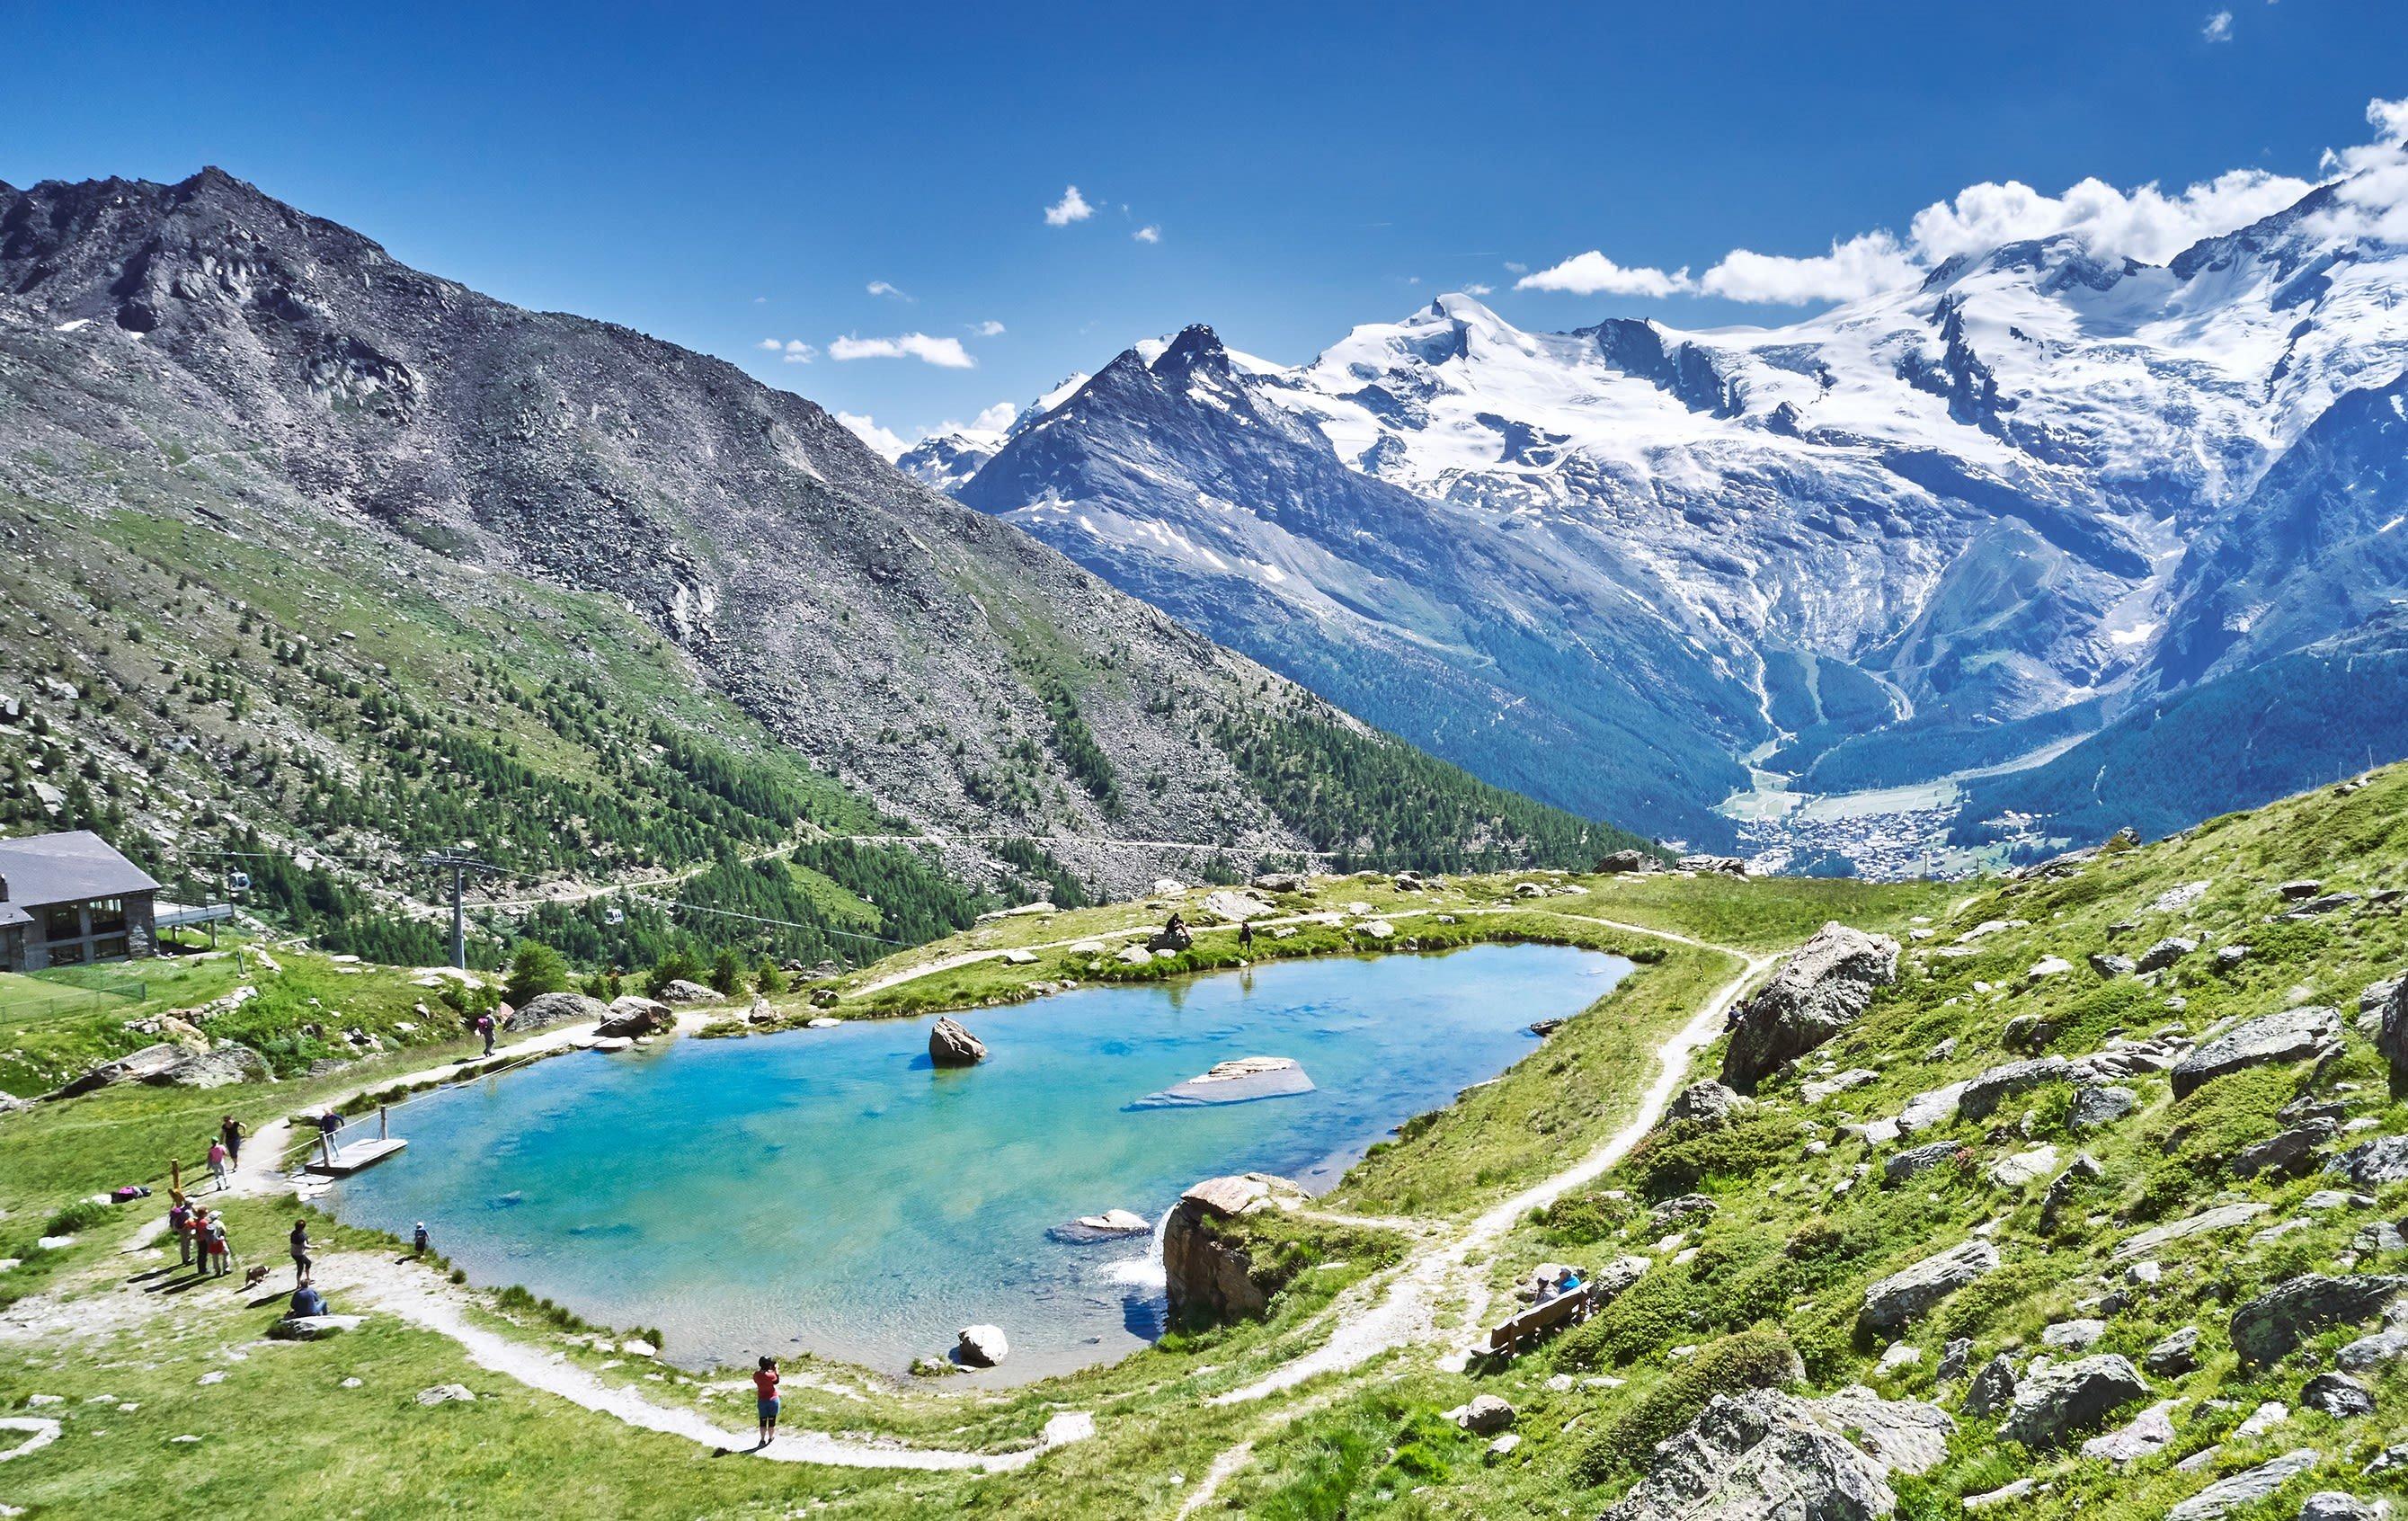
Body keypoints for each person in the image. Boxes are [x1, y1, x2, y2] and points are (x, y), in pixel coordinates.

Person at [752, 1356, 780, 1449]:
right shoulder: (771, 1375)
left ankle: (762, 1439)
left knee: (762, 1421)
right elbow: (776, 1381)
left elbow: (758, 1379)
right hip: (773, 1400)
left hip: (762, 1401)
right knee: (772, 1422)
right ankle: (771, 1438)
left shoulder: (756, 1375)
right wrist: (776, 1369)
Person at [168, 1196, 194, 1268]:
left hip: (179, 1228)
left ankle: (184, 1258)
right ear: (190, 1204)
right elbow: (190, 1222)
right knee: (187, 1244)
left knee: (183, 1244)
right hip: (185, 1229)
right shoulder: (187, 1212)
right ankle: (188, 1259)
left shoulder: (180, 1208)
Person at [202, 1212, 230, 1277]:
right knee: (226, 1253)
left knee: (215, 1257)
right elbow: (224, 1230)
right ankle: (226, 1268)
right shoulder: (219, 1223)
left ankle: (217, 1271)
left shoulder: (209, 1225)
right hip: (220, 1241)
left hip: (211, 1243)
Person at [289, 1220, 313, 1287]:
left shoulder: (294, 1233)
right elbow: (305, 1246)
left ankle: (308, 1279)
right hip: (299, 1255)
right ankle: (298, 1284)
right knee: (300, 1269)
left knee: (308, 1263)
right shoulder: (301, 1236)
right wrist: (316, 1247)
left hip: (294, 1253)